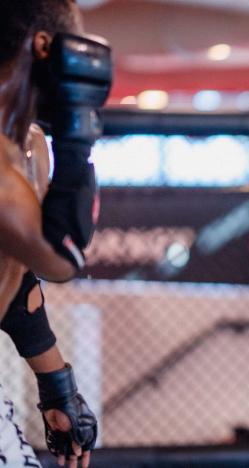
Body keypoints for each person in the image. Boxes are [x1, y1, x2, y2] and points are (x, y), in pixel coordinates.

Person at [0, 0, 111, 466]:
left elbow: (18, 275)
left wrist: (55, 385)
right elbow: (59, 255)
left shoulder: (25, 144)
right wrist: (77, 132)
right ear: (45, 46)